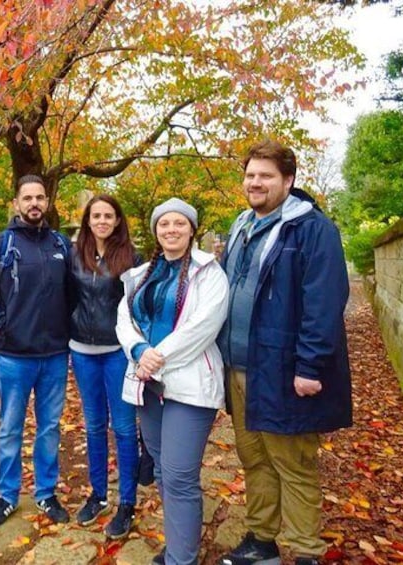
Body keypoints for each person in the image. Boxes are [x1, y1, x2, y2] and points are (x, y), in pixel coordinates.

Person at [217, 140, 352, 565]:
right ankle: (262, 538)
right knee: (254, 458)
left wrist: (310, 365)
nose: (255, 183)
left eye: (266, 176)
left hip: (284, 371)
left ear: (288, 181)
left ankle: (306, 551)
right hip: (239, 369)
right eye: (251, 175)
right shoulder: (241, 226)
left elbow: (324, 302)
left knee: (292, 463)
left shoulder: (312, 229)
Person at [116, 198, 229, 564]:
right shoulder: (140, 275)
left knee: (180, 474)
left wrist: (154, 357)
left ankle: (182, 558)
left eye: (179, 223)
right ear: (155, 231)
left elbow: (202, 328)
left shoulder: (209, 272)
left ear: (192, 229)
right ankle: (180, 544)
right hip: (148, 385)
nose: (171, 230)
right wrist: (137, 351)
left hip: (190, 386)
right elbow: (124, 321)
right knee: (163, 470)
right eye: (164, 225)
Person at [0, 174, 73, 527]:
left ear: (48, 202)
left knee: (49, 429)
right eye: (27, 198)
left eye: (40, 198)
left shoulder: (62, 245)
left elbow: (74, 294)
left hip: (55, 356)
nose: (34, 204)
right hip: (14, 358)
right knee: (11, 428)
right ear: (16, 203)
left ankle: (46, 493)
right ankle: (7, 495)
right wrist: (6, 327)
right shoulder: (1, 245)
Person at [69, 194, 140, 538]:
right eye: (95, 215)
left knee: (124, 428)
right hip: (82, 350)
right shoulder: (74, 254)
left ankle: (127, 502)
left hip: (117, 352)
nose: (101, 221)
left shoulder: (130, 256)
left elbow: (138, 304)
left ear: (116, 220)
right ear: (88, 220)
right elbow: (66, 295)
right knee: (94, 425)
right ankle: (98, 495)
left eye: (108, 215)